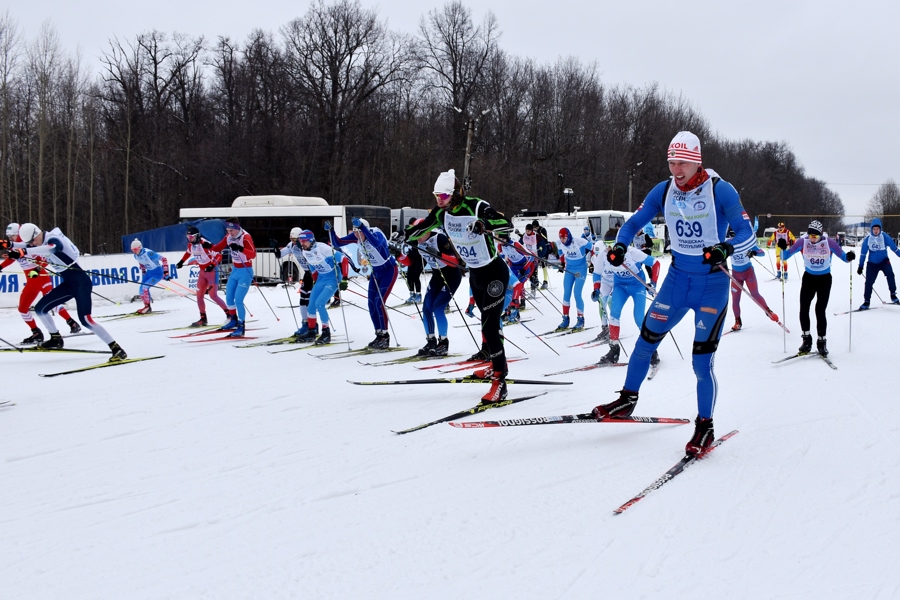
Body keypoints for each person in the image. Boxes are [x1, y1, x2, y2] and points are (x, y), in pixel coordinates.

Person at [591, 131, 756, 456]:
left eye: (682, 162)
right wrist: (621, 245)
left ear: (696, 161)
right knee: (644, 342)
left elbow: (748, 232)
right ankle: (627, 400)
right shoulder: (664, 190)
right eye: (671, 162)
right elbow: (633, 223)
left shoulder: (720, 190)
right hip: (678, 282)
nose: (676, 169)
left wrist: (726, 247)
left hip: (712, 285)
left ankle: (705, 427)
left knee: (701, 362)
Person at [406, 169, 513, 403]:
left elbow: (505, 223)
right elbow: (421, 230)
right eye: (436, 195)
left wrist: (484, 224)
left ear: (454, 193)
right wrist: (405, 237)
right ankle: (496, 363)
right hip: (475, 275)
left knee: (490, 326)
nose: (439, 200)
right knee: (486, 326)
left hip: (494, 272)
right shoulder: (441, 213)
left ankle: (500, 381)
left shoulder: (475, 206)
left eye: (443, 196)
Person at [3, 223, 126, 360]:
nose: (32, 243)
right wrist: (7, 244)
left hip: (81, 283)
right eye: (30, 242)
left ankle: (116, 349)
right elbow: (24, 246)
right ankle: (55, 338)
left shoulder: (53, 239)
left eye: (32, 240)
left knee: (86, 320)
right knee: (40, 309)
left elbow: (52, 249)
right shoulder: (37, 241)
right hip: (68, 284)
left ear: (37, 233)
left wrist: (23, 252)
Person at [778, 220, 855, 355]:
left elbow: (844, 257)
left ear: (821, 234)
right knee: (803, 309)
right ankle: (806, 340)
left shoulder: (829, 242)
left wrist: (849, 256)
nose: (813, 239)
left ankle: (822, 342)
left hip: (824, 280)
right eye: (811, 236)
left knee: (820, 310)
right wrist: (782, 247)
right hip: (809, 279)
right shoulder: (803, 242)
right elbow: (785, 256)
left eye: (816, 237)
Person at [1, 222, 81, 344]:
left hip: (42, 278)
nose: (10, 238)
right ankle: (36, 333)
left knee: (52, 303)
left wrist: (37, 269)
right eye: (9, 236)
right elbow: (11, 258)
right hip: (31, 282)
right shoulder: (15, 246)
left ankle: (72, 323)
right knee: (22, 308)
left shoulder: (31, 244)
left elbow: (45, 259)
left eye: (13, 235)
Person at [329, 218, 397, 349]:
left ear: (365, 229)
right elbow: (337, 242)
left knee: (379, 303)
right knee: (371, 303)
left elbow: (376, 244)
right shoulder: (357, 236)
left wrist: (362, 228)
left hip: (389, 270)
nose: (357, 236)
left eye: (359, 232)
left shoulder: (376, 234)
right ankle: (378, 334)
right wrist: (331, 230)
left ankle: (385, 336)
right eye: (355, 233)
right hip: (376, 273)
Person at [596, 242, 659, 366]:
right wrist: (596, 288)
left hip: (637, 286)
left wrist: (653, 283)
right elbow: (597, 273)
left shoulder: (631, 252)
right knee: (614, 313)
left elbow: (656, 263)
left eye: (611, 245)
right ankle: (614, 349)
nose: (608, 248)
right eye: (606, 245)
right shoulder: (604, 255)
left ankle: (651, 349)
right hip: (620, 287)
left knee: (639, 318)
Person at [406, 227, 462, 356]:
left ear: (427, 232)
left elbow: (455, 263)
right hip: (437, 276)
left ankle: (443, 343)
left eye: (420, 235)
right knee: (426, 308)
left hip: (451, 276)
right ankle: (431, 341)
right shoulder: (417, 241)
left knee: (438, 308)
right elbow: (409, 261)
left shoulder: (439, 238)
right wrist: (398, 254)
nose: (418, 239)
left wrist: (439, 254)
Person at [211, 218, 256, 338]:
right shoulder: (229, 236)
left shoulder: (245, 237)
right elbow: (217, 248)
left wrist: (240, 248)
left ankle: (241, 327)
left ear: (237, 228)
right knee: (229, 297)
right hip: (235, 270)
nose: (229, 233)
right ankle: (233, 320)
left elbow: (253, 254)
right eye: (228, 230)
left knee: (238, 299)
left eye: (231, 230)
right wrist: (205, 245)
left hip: (245, 271)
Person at [176, 225, 228, 327]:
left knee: (213, 296)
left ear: (197, 236)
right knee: (199, 296)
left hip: (212, 272)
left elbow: (219, 255)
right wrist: (181, 262)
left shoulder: (205, 244)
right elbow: (188, 253)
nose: (190, 239)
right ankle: (203, 319)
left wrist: (212, 265)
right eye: (188, 237)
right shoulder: (191, 245)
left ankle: (230, 315)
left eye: (191, 237)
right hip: (202, 272)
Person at [296, 229, 340, 344]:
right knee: (311, 306)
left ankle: (326, 332)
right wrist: (315, 279)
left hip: (332, 279)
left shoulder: (323, 248)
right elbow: (312, 267)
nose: (302, 244)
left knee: (320, 304)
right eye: (300, 241)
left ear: (311, 240)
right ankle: (312, 331)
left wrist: (344, 278)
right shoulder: (305, 251)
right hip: (321, 279)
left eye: (304, 241)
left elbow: (342, 259)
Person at [728, 242, 779, 331]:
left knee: (755, 294)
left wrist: (753, 253)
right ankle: (737, 321)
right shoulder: (729, 243)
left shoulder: (746, 242)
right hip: (736, 275)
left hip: (748, 273)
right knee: (735, 299)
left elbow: (762, 253)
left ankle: (768, 311)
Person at [279, 227, 317, 337]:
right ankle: (305, 323)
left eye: (295, 240)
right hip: (307, 273)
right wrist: (276, 250)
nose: (293, 242)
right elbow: (281, 254)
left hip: (314, 273)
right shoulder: (291, 245)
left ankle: (313, 326)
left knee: (310, 301)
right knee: (302, 299)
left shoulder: (307, 246)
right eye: (292, 239)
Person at [856, 217, 900, 309]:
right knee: (868, 282)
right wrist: (860, 266)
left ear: (880, 229)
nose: (876, 231)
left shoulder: (885, 237)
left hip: (884, 261)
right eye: (874, 229)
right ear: (872, 229)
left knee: (890, 275)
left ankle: (893, 295)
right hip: (872, 264)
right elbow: (863, 254)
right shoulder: (868, 239)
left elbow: (894, 248)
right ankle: (866, 301)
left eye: (877, 229)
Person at [556, 227, 592, 330]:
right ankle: (565, 318)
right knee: (566, 293)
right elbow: (560, 252)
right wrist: (562, 263)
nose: (563, 240)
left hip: (580, 269)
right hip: (570, 269)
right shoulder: (559, 243)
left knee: (577, 293)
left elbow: (593, 248)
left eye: (564, 238)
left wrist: (592, 263)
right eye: (561, 238)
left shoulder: (579, 241)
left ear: (568, 236)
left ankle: (580, 319)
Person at [497, 231, 536, 323]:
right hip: (514, 268)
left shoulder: (515, 244)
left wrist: (525, 268)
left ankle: (516, 312)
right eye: (500, 240)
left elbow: (532, 256)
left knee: (517, 287)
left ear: (507, 238)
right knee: (508, 288)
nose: (501, 241)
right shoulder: (500, 246)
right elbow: (502, 255)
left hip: (525, 267)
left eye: (503, 239)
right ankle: (507, 312)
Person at [130, 239, 169, 314]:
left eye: (135, 249)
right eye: (132, 250)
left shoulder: (149, 253)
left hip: (157, 273)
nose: (134, 251)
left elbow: (164, 259)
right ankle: (146, 306)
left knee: (145, 288)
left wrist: (166, 273)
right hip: (149, 273)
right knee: (141, 290)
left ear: (140, 248)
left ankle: (147, 307)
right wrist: (144, 271)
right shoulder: (135, 256)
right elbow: (141, 263)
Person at [589, 239, 615, 343]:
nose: (597, 255)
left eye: (598, 253)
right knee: (601, 302)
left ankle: (614, 327)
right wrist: (596, 288)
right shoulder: (595, 257)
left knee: (610, 301)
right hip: (605, 281)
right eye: (595, 253)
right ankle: (605, 328)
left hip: (616, 281)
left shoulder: (609, 254)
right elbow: (596, 273)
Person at [403, 217, 424, 303]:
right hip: (412, 258)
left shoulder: (419, 233)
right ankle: (412, 294)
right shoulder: (410, 233)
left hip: (420, 258)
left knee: (415, 276)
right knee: (409, 276)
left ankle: (418, 295)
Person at [533, 220, 551, 289]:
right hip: (538, 249)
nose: (535, 228)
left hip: (545, 248)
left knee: (543, 264)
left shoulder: (542, 229)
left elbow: (545, 238)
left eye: (535, 227)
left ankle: (545, 281)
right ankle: (536, 280)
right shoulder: (534, 231)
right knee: (535, 265)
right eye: (534, 227)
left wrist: (539, 233)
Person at [522, 224, 540, 290]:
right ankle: (533, 286)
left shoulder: (536, 236)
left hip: (534, 257)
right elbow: (520, 244)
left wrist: (542, 253)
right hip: (527, 257)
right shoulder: (524, 235)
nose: (527, 232)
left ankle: (534, 289)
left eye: (529, 231)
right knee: (528, 273)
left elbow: (543, 244)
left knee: (534, 274)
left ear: (532, 230)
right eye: (526, 230)